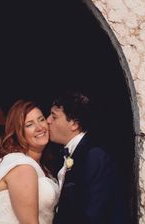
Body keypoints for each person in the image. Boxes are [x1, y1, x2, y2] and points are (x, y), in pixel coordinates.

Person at [47, 91, 125, 224]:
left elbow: (92, 215)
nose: (48, 120)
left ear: (74, 124)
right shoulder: (69, 154)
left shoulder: (95, 155)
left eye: (54, 116)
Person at [0, 100, 60, 223]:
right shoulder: (21, 166)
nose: (40, 127)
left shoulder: (39, 166)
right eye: (29, 124)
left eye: (41, 119)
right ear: (18, 132)